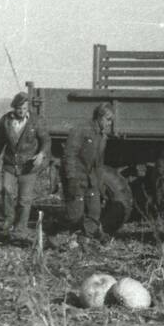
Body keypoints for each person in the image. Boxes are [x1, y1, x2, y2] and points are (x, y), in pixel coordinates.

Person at [0, 91, 50, 238]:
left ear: (28, 108)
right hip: (10, 164)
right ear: (14, 107)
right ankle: (8, 219)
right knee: (6, 190)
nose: (22, 111)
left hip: (28, 166)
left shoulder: (36, 121)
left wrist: (41, 154)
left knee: (24, 199)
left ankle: (20, 228)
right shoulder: (6, 120)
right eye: (19, 108)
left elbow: (46, 140)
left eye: (25, 108)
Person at [61, 102, 114, 240]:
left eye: (111, 120)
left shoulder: (102, 137)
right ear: (100, 117)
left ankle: (84, 239)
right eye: (108, 119)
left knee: (94, 212)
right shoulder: (81, 130)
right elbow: (69, 155)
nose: (110, 123)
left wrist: (100, 185)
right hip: (76, 177)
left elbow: (98, 164)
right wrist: (71, 178)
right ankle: (56, 232)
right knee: (75, 215)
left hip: (91, 179)